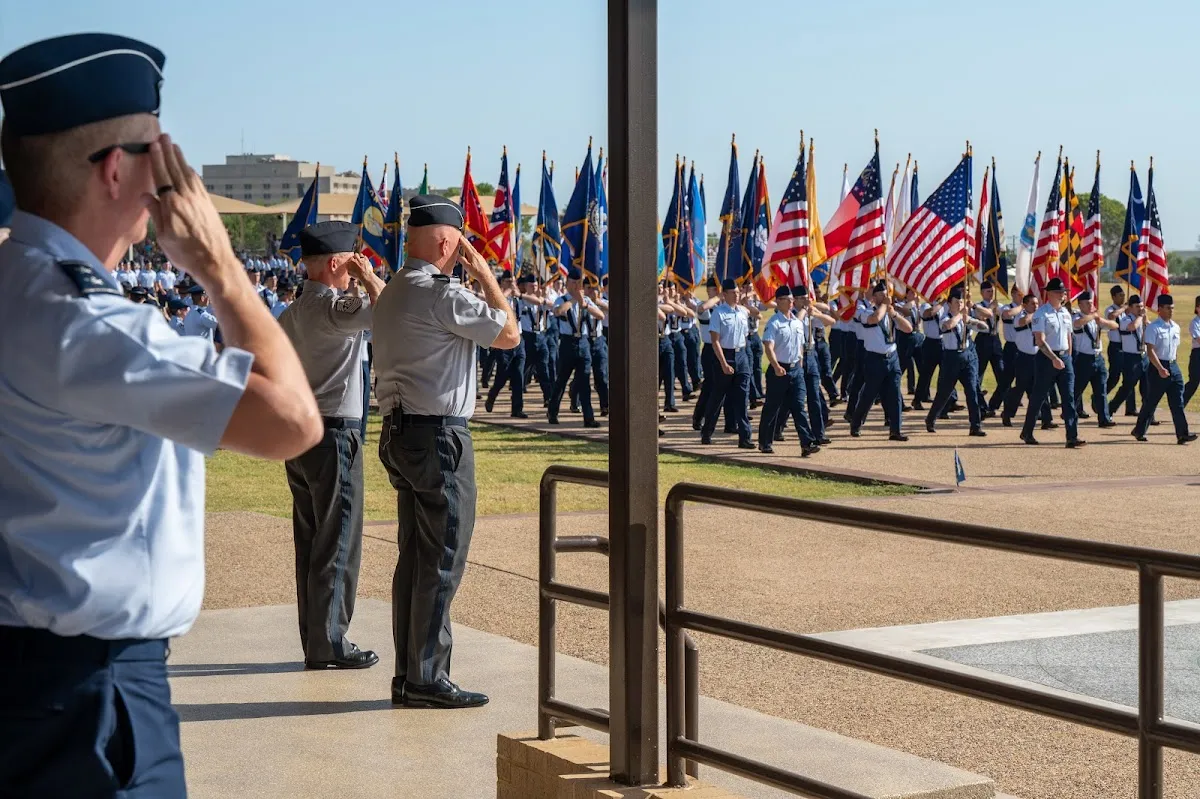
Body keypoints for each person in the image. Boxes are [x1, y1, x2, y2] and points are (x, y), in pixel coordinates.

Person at [0, 32, 321, 796]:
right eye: (159, 152)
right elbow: (292, 420)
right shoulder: (86, 322)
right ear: (118, 170)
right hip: (94, 701)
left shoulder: (24, 286)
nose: (176, 176)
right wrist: (219, 265)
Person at [373, 194, 520, 708]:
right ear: (445, 242)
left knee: (414, 559)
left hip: (399, 431)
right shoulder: (441, 295)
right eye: (461, 245)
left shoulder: (393, 289)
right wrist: (485, 276)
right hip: (438, 437)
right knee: (441, 560)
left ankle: (408, 672)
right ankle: (427, 677)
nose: (465, 254)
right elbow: (509, 334)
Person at [277, 221, 385, 670]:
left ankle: (314, 639)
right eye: (349, 263)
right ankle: (330, 642)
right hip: (336, 434)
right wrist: (368, 278)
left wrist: (354, 275)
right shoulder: (337, 309)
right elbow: (389, 309)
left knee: (310, 540)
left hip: (300, 434)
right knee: (338, 539)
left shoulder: (291, 312)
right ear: (338, 263)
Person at [1022, 277, 1084, 447]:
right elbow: (1040, 341)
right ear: (1049, 294)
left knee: (1069, 398)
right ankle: (1027, 432)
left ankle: (1072, 436)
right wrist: (1054, 358)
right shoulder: (1041, 314)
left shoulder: (1065, 313)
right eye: (1059, 292)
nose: (1063, 295)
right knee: (1039, 397)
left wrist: (1068, 357)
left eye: (1064, 292)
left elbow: (1068, 337)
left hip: (1064, 358)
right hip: (1046, 359)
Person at [758, 285, 819, 456]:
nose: (792, 302)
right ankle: (765, 442)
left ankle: (807, 443)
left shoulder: (796, 322)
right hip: (779, 370)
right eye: (787, 299)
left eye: (792, 299)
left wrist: (799, 363)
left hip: (795, 370)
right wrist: (776, 366)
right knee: (772, 407)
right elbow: (768, 346)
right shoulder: (774, 323)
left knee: (799, 406)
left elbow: (799, 345)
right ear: (778, 302)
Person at [849, 282, 913, 441]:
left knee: (895, 395)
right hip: (874, 359)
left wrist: (895, 314)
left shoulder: (891, 312)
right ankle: (856, 422)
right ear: (874, 296)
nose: (885, 298)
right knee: (869, 394)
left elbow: (908, 328)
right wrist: (885, 307)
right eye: (881, 295)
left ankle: (895, 430)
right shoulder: (864, 311)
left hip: (892, 358)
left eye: (886, 295)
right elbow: (874, 319)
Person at [1132, 295, 1196, 445]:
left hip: (1173, 366)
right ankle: (1139, 430)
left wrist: (1173, 366)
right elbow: (1150, 350)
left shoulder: (1176, 327)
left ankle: (1182, 434)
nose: (1171, 311)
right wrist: (1160, 368)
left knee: (1177, 403)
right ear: (1159, 309)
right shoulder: (1154, 327)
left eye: (1172, 308)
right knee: (1151, 402)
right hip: (1157, 367)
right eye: (1168, 308)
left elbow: (1175, 348)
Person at [925, 287, 988, 436]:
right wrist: (961, 316)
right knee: (944, 393)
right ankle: (931, 418)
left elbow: (984, 327)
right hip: (951, 358)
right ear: (949, 303)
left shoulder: (965, 318)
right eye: (957, 301)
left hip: (968, 357)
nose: (960, 304)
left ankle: (975, 426)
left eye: (961, 301)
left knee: (972, 391)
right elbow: (947, 326)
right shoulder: (945, 317)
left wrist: (971, 320)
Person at [700, 278, 753, 448]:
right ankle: (707, 432)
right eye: (733, 293)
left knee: (742, 397)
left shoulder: (743, 312)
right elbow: (715, 341)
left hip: (741, 355)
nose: (737, 295)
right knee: (717, 397)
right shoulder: (719, 313)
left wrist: (744, 357)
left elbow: (744, 336)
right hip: (725, 355)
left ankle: (745, 437)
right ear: (724, 295)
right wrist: (723, 363)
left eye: (738, 292)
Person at [547, 268, 603, 427]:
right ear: (567, 283)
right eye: (574, 282)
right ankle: (552, 411)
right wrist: (573, 300)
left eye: (579, 283)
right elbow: (558, 311)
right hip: (567, 344)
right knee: (561, 381)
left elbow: (601, 315)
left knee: (585, 381)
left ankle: (589, 418)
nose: (577, 285)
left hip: (584, 343)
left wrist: (584, 304)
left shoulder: (585, 300)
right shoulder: (562, 299)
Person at [1071, 290, 1118, 428]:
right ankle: (1069, 411)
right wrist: (1092, 316)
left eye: (1091, 303)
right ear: (1080, 305)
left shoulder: (1095, 319)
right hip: (1083, 359)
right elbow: (1078, 324)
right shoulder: (1076, 317)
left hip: (1098, 358)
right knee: (1077, 389)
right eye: (1087, 303)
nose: (1091, 305)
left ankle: (1104, 418)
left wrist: (1100, 320)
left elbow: (1115, 326)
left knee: (1101, 391)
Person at [484, 270, 528, 418]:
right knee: (502, 375)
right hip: (504, 340)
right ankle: (492, 395)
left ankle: (517, 409)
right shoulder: (498, 298)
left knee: (519, 376)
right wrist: (509, 291)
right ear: (502, 283)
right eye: (508, 282)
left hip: (519, 339)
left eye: (513, 282)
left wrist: (518, 294)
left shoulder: (517, 298)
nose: (511, 284)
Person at [1108, 294, 1150, 420]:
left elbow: (1151, 328)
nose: (1140, 309)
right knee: (1127, 388)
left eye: (1142, 306)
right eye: (1137, 307)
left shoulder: (1142, 320)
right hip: (1131, 358)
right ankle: (1110, 408)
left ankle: (1148, 415)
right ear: (1130, 308)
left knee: (1147, 388)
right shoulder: (1125, 320)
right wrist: (1141, 316)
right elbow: (1132, 327)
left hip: (1144, 357)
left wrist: (1145, 319)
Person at [1105, 284, 1134, 414]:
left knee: (1130, 376)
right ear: (1113, 297)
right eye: (1120, 295)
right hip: (1116, 346)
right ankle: (1100, 395)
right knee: (1114, 376)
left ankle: (1131, 407)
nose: (1123, 297)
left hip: (1127, 346)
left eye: (1124, 295)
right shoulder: (1110, 309)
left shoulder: (1126, 311)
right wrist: (1123, 308)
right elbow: (1112, 317)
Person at [1183, 296, 1200, 405]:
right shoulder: (1195, 323)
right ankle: (1179, 405)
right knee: (1193, 382)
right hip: (1198, 355)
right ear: (1197, 308)